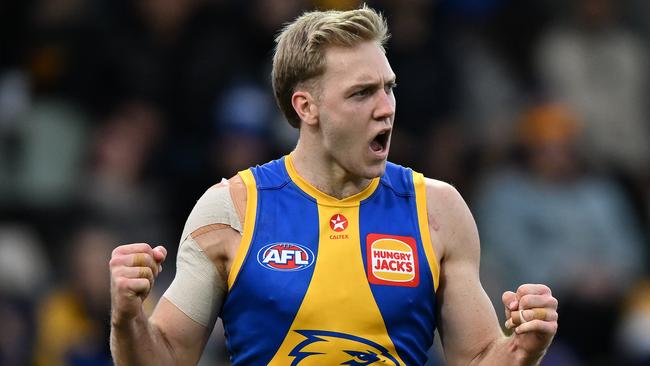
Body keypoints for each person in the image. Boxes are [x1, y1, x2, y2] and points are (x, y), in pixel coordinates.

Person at [109, 6, 558, 365]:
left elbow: (477, 358)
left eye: (389, 88)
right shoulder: (231, 210)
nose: (386, 108)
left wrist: (522, 349)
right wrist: (127, 318)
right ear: (307, 107)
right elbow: (166, 357)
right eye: (363, 93)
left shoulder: (438, 209)